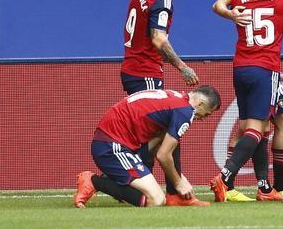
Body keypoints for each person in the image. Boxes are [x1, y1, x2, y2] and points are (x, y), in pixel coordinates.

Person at [208, 0, 283, 202]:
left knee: (254, 126)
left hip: (240, 66)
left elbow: (219, 5)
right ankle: (225, 177)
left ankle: (264, 187)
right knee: (257, 129)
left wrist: (229, 13)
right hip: (265, 66)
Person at [73, 85, 220, 208]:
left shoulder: (176, 97)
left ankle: (175, 196)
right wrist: (178, 182)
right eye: (206, 114)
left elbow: (163, 145)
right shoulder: (185, 111)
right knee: (156, 200)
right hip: (111, 147)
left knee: (171, 138)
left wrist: (178, 175)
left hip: (116, 143)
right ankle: (94, 181)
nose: (202, 119)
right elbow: (163, 155)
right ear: (200, 103)